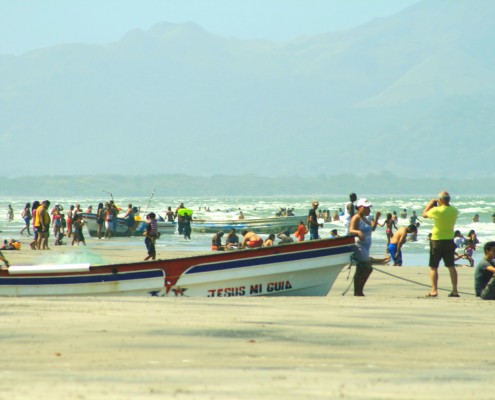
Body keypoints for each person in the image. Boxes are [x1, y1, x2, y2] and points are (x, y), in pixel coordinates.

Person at [422, 191, 460, 298]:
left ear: (441, 200)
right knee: (451, 266)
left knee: (433, 267)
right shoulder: (454, 210)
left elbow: (424, 214)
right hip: (449, 240)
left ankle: (434, 290)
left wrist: (430, 204)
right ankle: (455, 290)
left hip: (437, 240)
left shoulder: (436, 210)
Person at [349, 198, 381, 296]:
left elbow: (373, 229)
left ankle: (358, 291)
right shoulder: (356, 217)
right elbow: (351, 230)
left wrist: (376, 218)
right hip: (359, 245)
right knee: (367, 268)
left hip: (366, 246)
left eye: (369, 208)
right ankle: (358, 291)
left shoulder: (365, 218)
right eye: (366, 208)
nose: (368, 210)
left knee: (361, 268)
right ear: (359, 207)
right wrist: (358, 232)